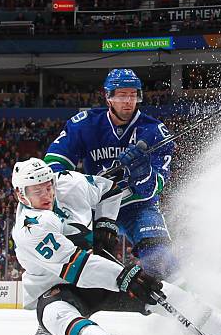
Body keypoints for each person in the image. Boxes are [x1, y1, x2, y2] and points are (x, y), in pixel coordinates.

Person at [11, 158, 221, 335]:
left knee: (167, 294)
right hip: (58, 287)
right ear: (21, 195)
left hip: (98, 276)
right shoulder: (30, 227)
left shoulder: (69, 183)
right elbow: (77, 267)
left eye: (48, 186)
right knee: (54, 313)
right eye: (37, 190)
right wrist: (125, 278)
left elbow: (110, 190)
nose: (46, 194)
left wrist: (105, 224)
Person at [43, 68, 176, 281]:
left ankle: (184, 300)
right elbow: (54, 162)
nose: (128, 101)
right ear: (108, 97)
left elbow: (156, 187)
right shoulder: (85, 124)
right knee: (76, 256)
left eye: (133, 95)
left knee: (162, 259)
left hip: (137, 205)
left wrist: (143, 173)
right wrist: (75, 186)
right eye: (122, 95)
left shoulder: (155, 132)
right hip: (97, 206)